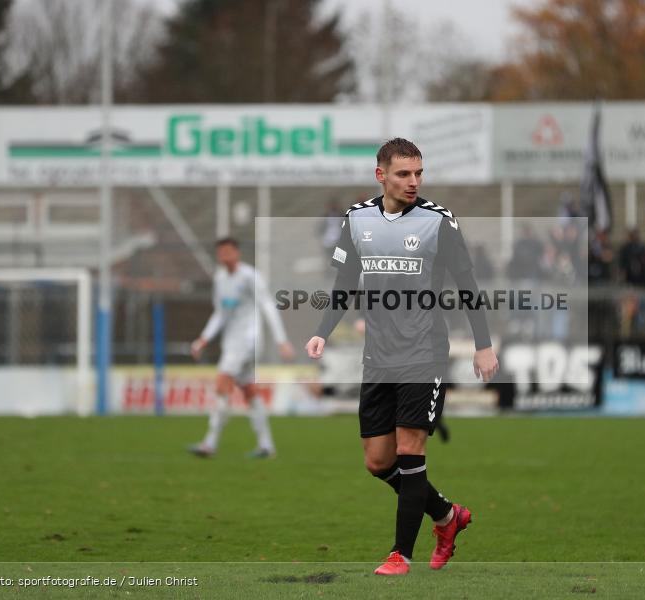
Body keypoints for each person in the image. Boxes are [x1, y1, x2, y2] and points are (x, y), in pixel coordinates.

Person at [305, 138, 499, 575]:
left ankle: (400, 554)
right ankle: (448, 517)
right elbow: (344, 284)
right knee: (378, 461)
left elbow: (467, 284)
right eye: (403, 174)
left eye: (418, 174)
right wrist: (322, 333)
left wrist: (483, 343)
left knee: (411, 453)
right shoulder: (356, 220)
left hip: (424, 352)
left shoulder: (438, 221)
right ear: (381, 176)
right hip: (378, 357)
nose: (413, 182)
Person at [189, 237, 295, 458]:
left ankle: (210, 443)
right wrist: (203, 339)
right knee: (249, 390)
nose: (225, 255)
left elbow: (268, 306)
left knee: (222, 384)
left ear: (237, 253)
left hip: (248, 340)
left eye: (229, 251)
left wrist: (281, 340)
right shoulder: (220, 279)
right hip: (232, 341)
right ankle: (266, 445)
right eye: (221, 252)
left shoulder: (250, 276)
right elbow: (220, 313)